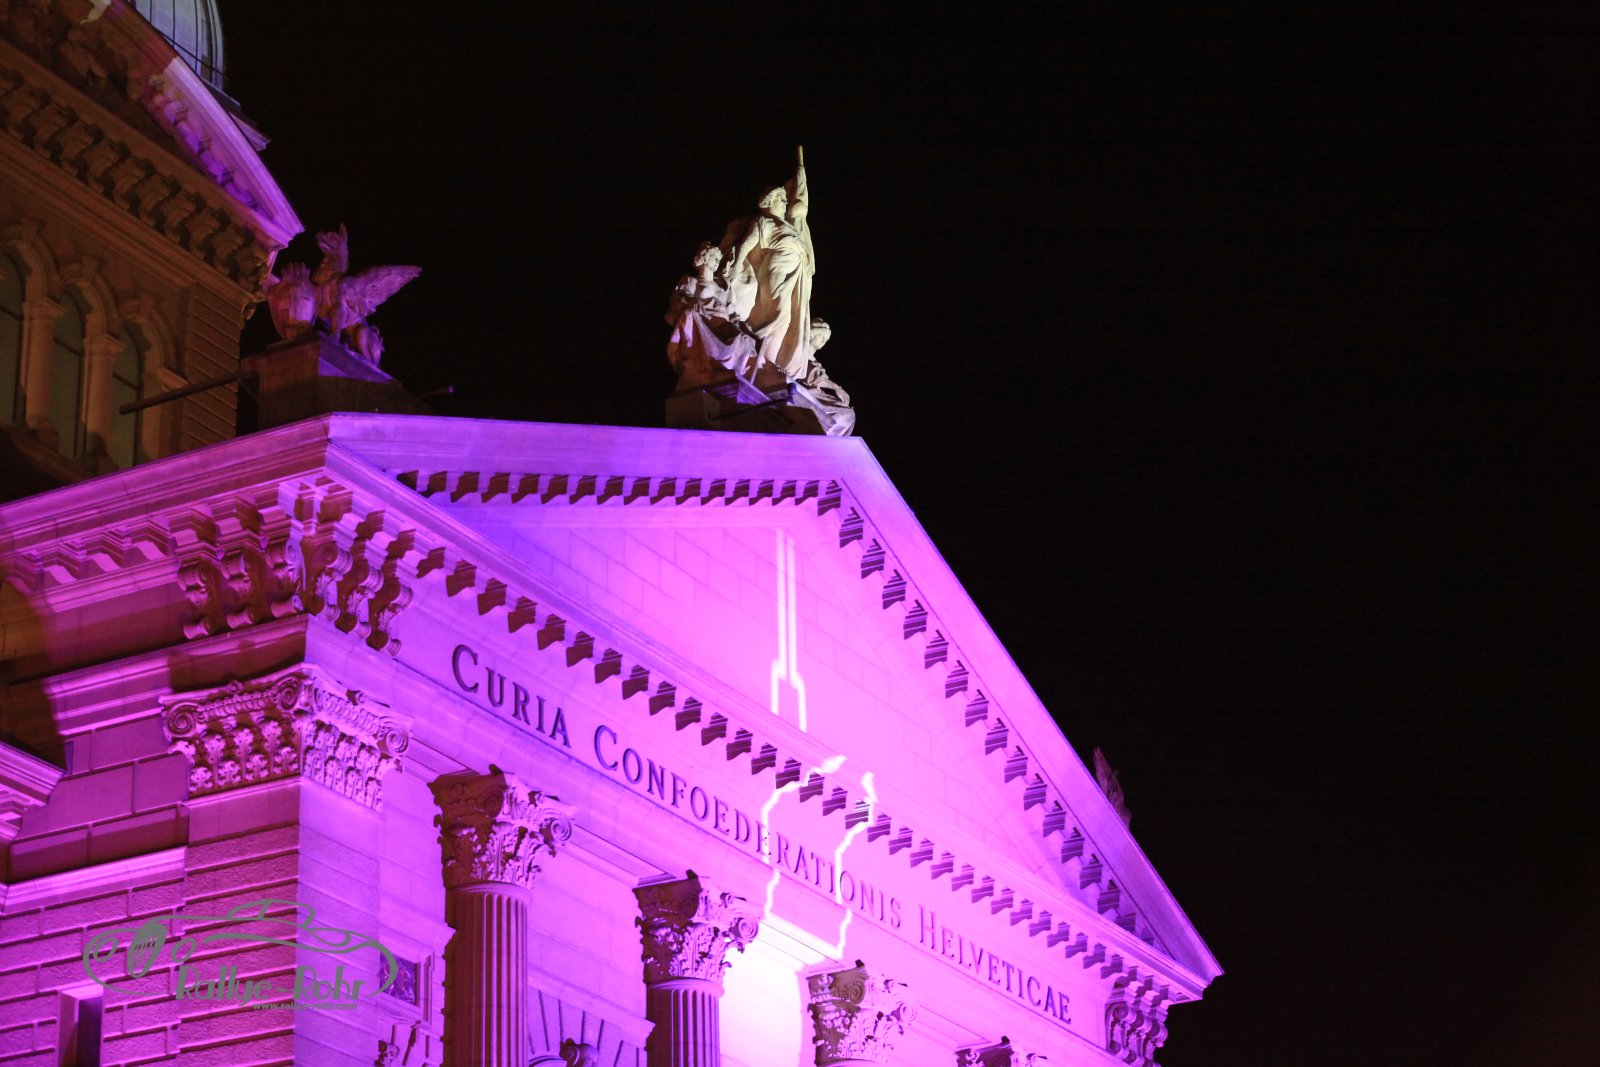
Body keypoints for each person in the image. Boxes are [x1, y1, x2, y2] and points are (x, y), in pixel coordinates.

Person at [723, 146, 815, 379]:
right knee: (778, 315)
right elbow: (746, 245)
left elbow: (799, 213)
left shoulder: (788, 226)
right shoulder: (763, 222)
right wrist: (736, 266)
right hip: (777, 268)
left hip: (795, 270)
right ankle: (762, 361)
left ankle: (771, 361)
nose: (785, 203)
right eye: (781, 199)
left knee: (789, 318)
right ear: (769, 202)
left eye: (785, 199)